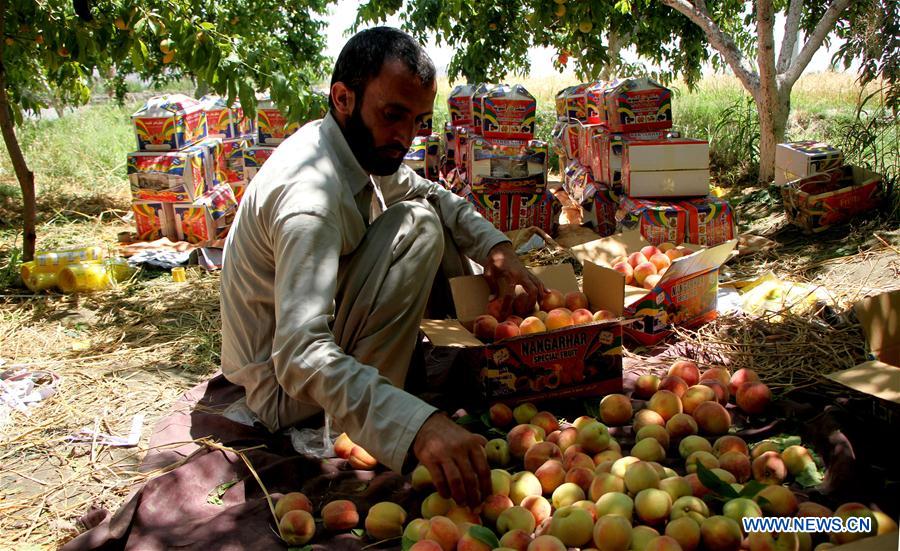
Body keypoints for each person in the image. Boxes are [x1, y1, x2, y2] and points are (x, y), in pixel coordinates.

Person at [220, 26, 544, 508]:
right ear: (344, 97)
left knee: (426, 213)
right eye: (393, 116)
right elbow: (298, 355)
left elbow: (430, 192)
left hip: (306, 354)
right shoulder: (310, 199)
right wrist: (416, 426)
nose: (405, 137)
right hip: (281, 388)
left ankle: (422, 382)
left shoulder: (351, 145)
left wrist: (496, 247)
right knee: (416, 228)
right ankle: (373, 424)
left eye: (417, 121)